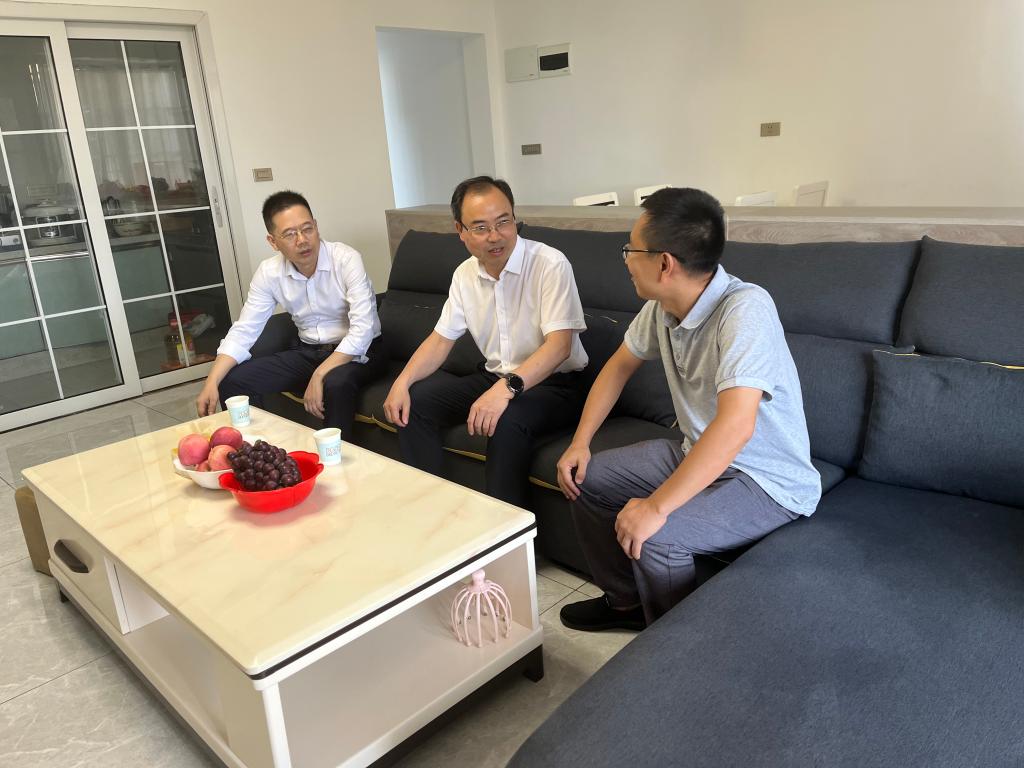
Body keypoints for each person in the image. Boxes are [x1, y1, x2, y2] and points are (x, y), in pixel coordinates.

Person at [555, 187, 821, 631]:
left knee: (658, 536)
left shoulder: (746, 310)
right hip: (697, 453)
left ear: (664, 263)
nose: (625, 260)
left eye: (630, 249)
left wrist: (657, 508)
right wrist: (580, 442)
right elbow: (617, 368)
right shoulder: (661, 307)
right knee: (587, 479)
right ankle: (625, 605)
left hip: (765, 480)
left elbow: (736, 426)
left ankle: (672, 648)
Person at [382, 176, 587, 507]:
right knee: (414, 405)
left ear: (514, 218)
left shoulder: (550, 264)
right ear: (460, 231)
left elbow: (559, 347)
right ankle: (433, 509)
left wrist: (505, 390)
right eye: (480, 227)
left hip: (556, 384)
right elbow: (440, 340)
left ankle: (508, 531)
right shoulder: (464, 274)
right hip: (496, 375)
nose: (495, 236)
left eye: (503, 222)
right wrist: (402, 382)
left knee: (505, 420)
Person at [196, 190, 383, 437]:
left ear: (316, 226)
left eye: (307, 229)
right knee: (234, 381)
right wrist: (212, 381)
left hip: (361, 353)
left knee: (335, 383)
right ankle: (260, 450)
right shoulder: (269, 272)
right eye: (290, 234)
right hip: (310, 352)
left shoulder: (346, 259)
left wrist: (320, 373)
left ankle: (335, 458)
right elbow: (244, 330)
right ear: (273, 241)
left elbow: (363, 330)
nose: (302, 240)